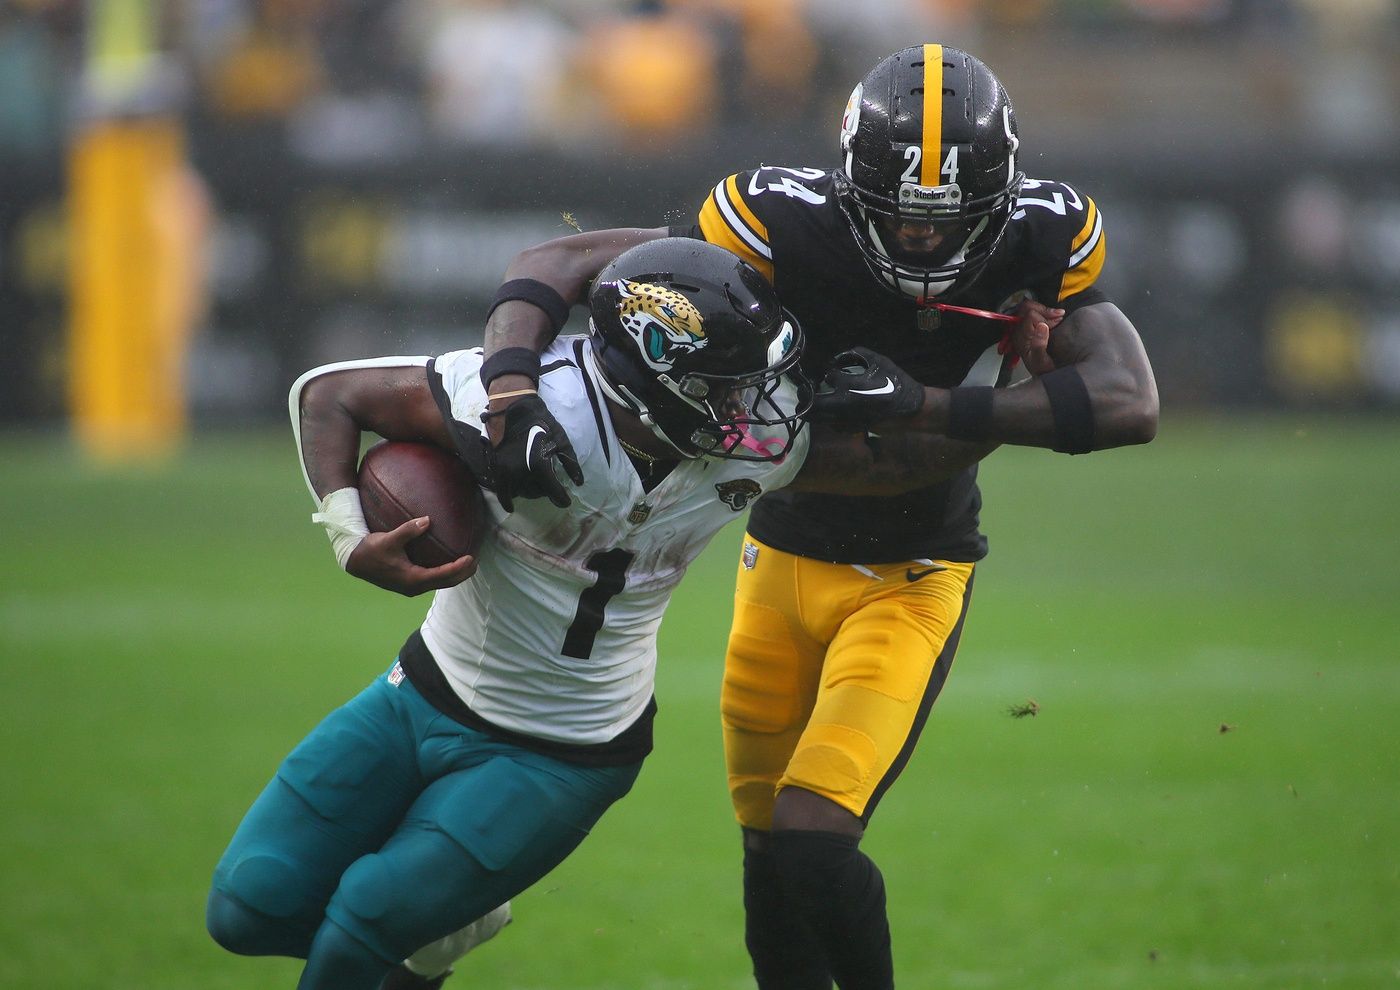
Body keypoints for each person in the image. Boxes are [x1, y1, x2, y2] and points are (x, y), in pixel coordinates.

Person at [475, 44, 1158, 990]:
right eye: (899, 217)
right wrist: (509, 393)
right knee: (768, 866)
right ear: (848, 186)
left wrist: (922, 403)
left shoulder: (1042, 238)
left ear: (1000, 196)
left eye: (945, 219)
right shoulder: (776, 220)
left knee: (812, 843)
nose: (920, 242)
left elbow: (1130, 403)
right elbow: (559, 260)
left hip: (914, 574)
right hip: (778, 558)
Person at [205, 236, 994, 990]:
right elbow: (329, 395)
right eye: (726, 384)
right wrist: (349, 537)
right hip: (419, 692)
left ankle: (428, 933)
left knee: (366, 919)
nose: (752, 404)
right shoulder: (524, 401)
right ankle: (454, 922)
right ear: (653, 373)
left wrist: (974, 402)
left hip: (566, 750)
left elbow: (901, 466)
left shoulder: (761, 441)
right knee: (247, 906)